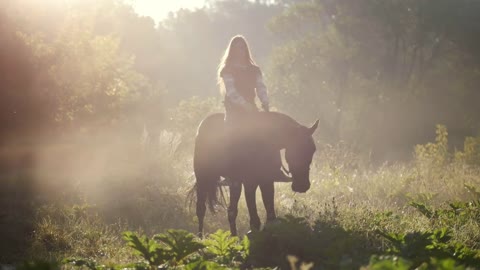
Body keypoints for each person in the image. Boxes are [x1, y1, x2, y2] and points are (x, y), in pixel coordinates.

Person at [217, 35, 289, 184]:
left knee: (270, 133)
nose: (240, 50)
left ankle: (276, 170)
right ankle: (231, 173)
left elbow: (261, 87)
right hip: (234, 111)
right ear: (232, 50)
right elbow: (231, 92)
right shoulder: (227, 69)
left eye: (242, 47)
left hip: (251, 109)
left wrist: (265, 102)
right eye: (236, 47)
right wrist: (245, 105)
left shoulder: (254, 69)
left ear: (246, 49)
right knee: (233, 136)